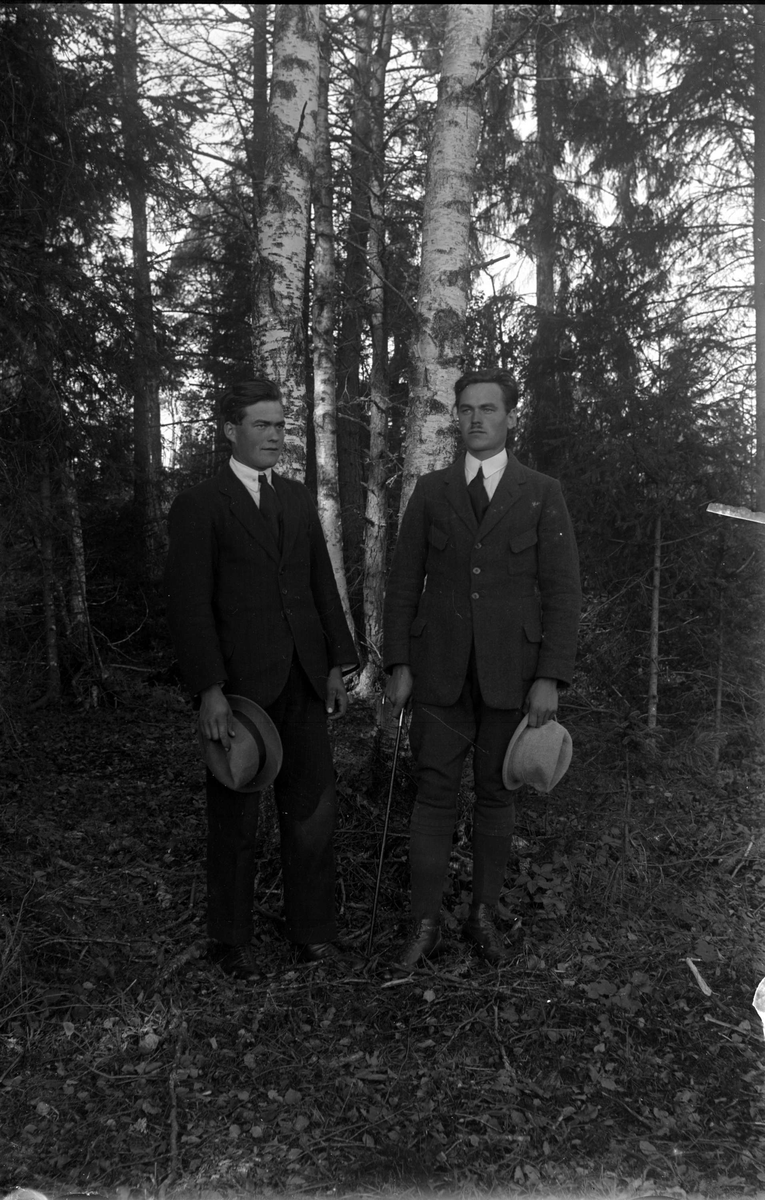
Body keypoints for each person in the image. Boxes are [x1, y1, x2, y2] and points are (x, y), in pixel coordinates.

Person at [383, 367, 581, 970]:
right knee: (434, 794)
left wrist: (549, 676)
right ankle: (425, 924)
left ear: (511, 418)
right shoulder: (431, 490)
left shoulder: (541, 492)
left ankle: (483, 917)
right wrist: (398, 662)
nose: (475, 419)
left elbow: (563, 592)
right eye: (466, 409)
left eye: (488, 409)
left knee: (497, 796)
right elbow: (403, 583)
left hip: (512, 676)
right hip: (438, 671)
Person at [164, 378, 360, 979]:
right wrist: (209, 689)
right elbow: (189, 606)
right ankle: (231, 940)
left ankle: (312, 932)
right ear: (231, 430)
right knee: (235, 817)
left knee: (312, 810)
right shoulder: (201, 504)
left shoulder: (297, 499)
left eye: (280, 425)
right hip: (239, 691)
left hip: (303, 680)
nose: (275, 436)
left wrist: (336, 663)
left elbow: (320, 584)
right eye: (262, 425)